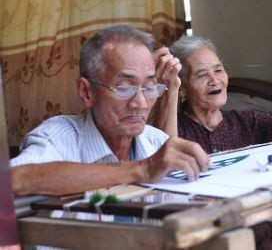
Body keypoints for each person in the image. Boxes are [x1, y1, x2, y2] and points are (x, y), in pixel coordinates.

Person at [10, 25, 210, 197]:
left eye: (149, 88)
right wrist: (141, 169)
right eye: (124, 88)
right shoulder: (59, 137)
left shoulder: (156, 143)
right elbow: (14, 180)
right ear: (86, 91)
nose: (140, 103)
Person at [167, 35, 272, 250]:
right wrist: (170, 90)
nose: (215, 80)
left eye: (219, 70)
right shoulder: (176, 130)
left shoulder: (248, 122)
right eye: (202, 74)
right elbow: (163, 152)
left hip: (257, 243)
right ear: (182, 88)